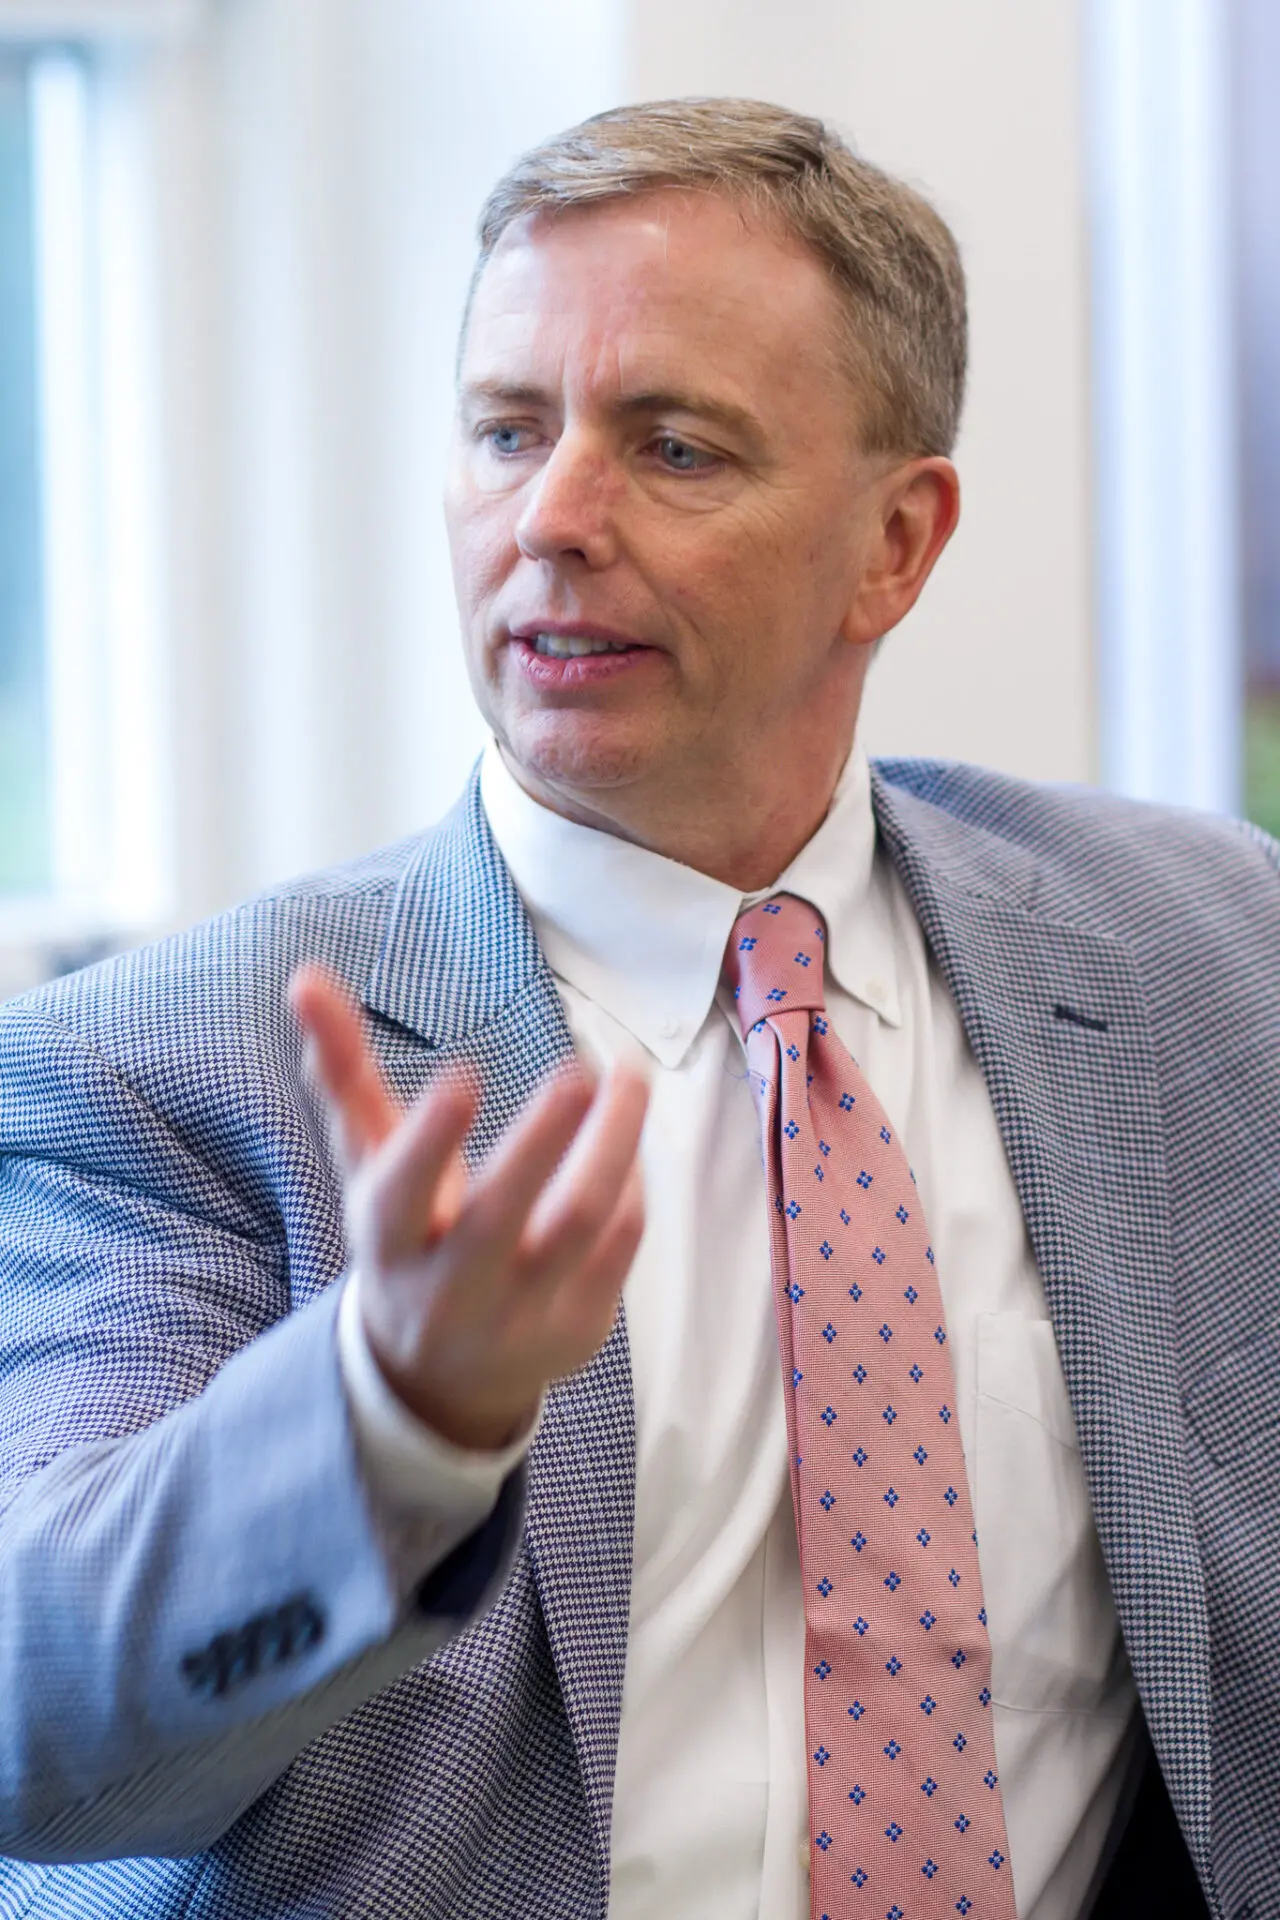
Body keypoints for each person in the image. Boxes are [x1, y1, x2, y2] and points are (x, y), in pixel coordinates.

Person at [0, 95, 1272, 1920]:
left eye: (673, 449)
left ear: (895, 546)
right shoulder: (167, 1068)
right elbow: (36, 1725)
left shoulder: (1201, 947)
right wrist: (390, 1415)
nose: (555, 519)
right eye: (507, 431)